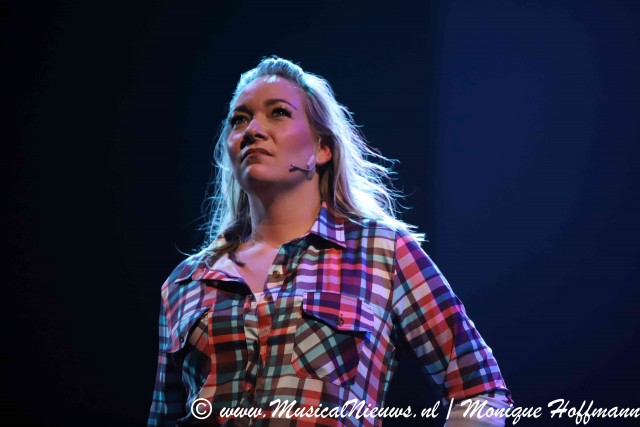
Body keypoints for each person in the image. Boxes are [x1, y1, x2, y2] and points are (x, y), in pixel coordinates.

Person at [148, 56, 512, 427]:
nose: (252, 130)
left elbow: (481, 391)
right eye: (239, 119)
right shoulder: (186, 282)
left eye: (278, 112)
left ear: (321, 148)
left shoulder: (382, 253)